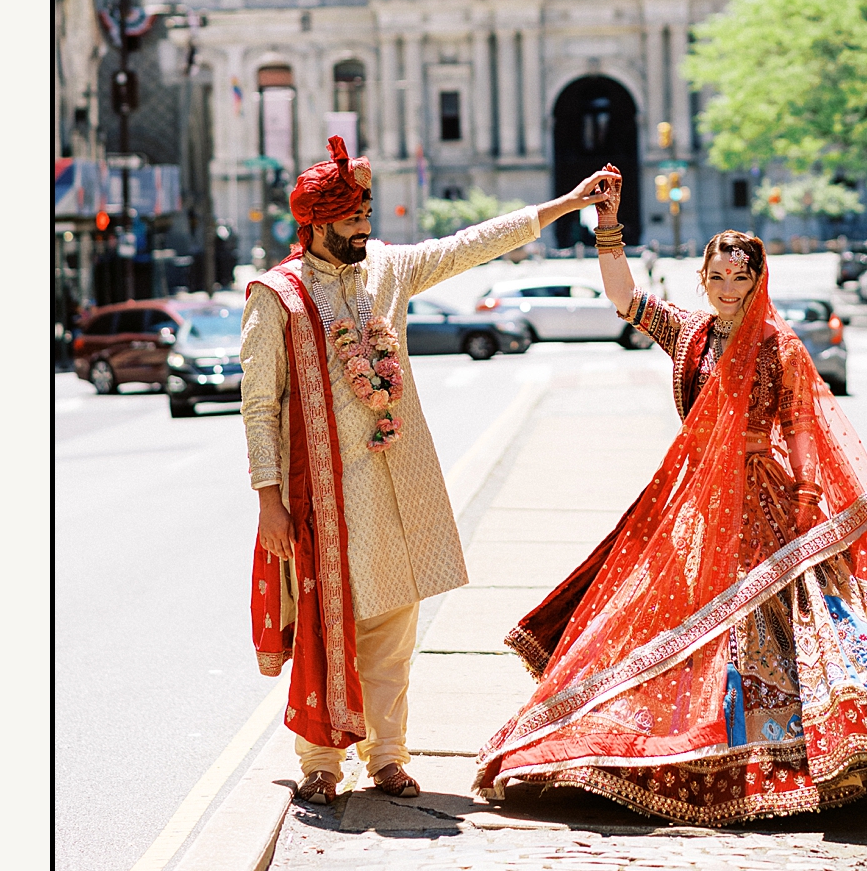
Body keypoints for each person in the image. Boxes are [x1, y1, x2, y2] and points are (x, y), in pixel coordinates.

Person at [475, 169, 867, 823]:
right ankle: (693, 747)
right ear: (702, 282)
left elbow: (805, 431)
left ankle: (807, 759)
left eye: (740, 278)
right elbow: (625, 295)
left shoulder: (779, 346)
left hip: (771, 507)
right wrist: (607, 226)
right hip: (704, 508)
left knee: (787, 630)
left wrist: (804, 505)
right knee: (692, 628)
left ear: (758, 279)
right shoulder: (689, 334)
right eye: (716, 278)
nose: (728, 289)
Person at [243, 136, 612, 806]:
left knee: (395, 624)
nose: (365, 225)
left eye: (367, 212)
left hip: (398, 482)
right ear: (316, 222)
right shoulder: (280, 297)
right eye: (352, 216)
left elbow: (468, 246)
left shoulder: (388, 271)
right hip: (325, 495)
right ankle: (321, 762)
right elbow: (259, 405)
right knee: (334, 625)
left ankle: (388, 756)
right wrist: (268, 498)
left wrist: (562, 206)